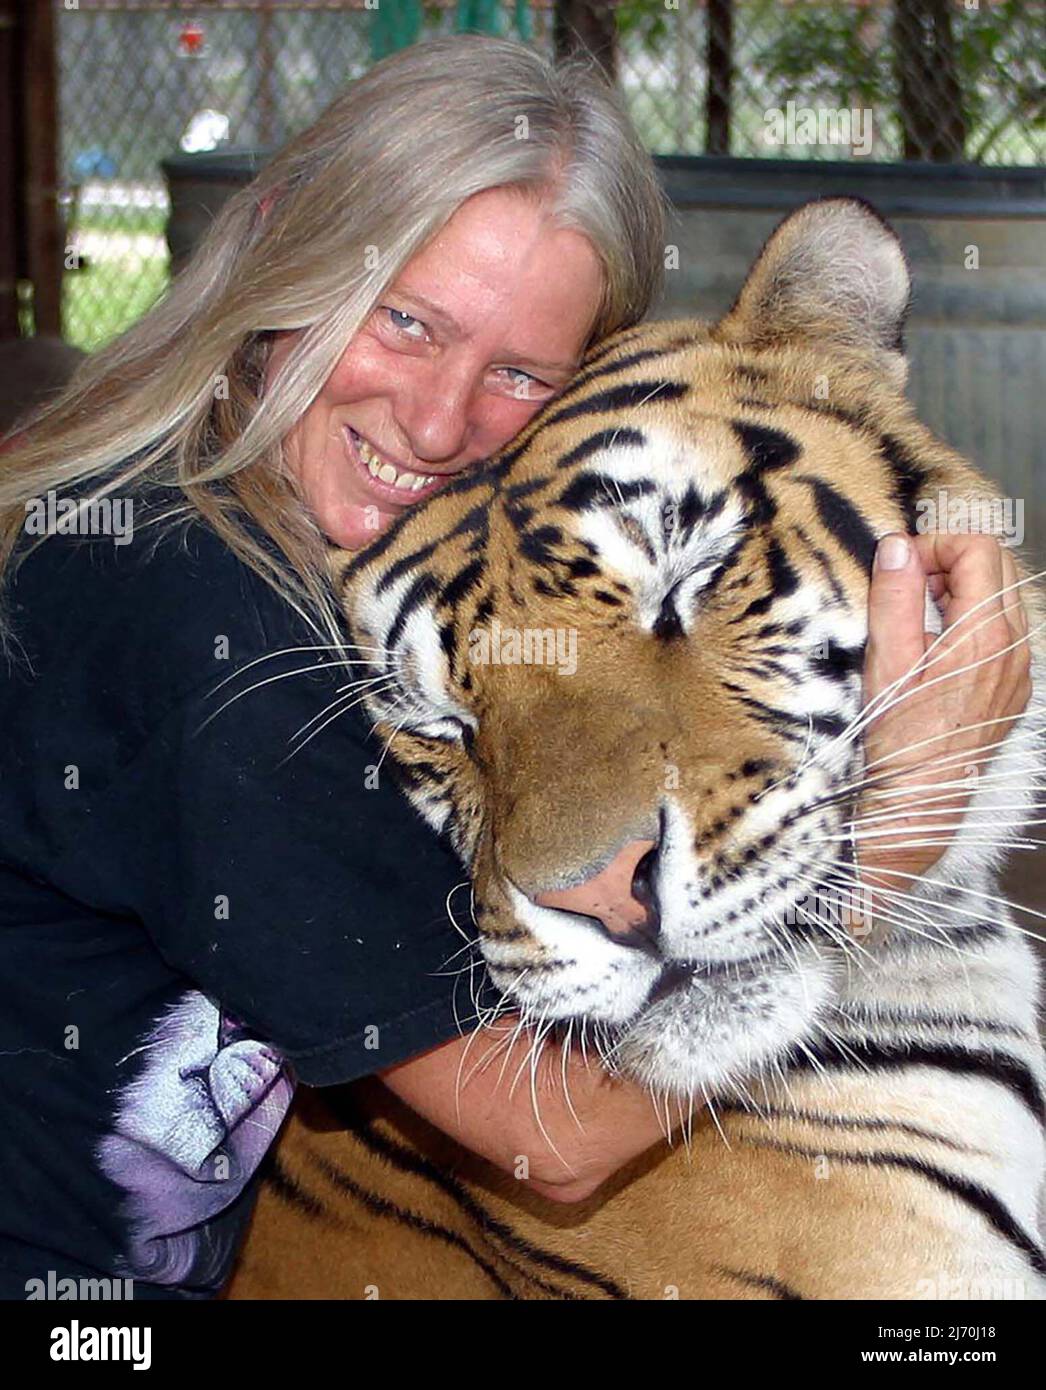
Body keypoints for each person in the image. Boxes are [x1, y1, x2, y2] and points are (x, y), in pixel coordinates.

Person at [0, 35, 1030, 1299]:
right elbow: (551, 1145)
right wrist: (891, 827)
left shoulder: (319, 558)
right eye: (404, 322)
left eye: (516, 374)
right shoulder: (186, 602)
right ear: (276, 249)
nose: (435, 427)